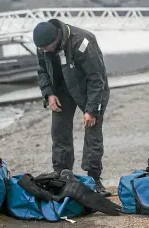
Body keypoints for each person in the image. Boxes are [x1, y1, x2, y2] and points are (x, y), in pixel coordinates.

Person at [32, 19, 111, 197]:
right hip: (61, 91)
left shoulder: (82, 42)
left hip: (90, 90)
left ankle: (94, 179)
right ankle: (62, 173)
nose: (44, 51)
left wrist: (91, 110)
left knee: (93, 133)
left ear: (57, 38)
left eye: (46, 47)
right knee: (59, 131)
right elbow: (42, 70)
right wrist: (49, 93)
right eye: (41, 48)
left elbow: (96, 78)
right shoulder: (42, 45)